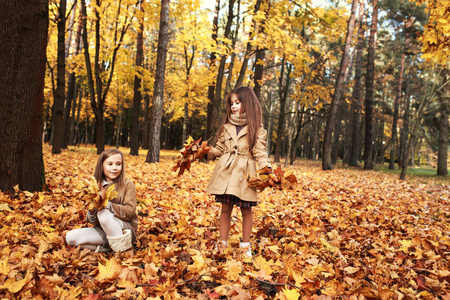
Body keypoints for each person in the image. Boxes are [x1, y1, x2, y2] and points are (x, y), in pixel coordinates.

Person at [206, 86, 273, 258]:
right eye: (231, 103)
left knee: (246, 210)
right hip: (227, 173)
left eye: (237, 102)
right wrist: (207, 152)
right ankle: (222, 244)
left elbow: (259, 151)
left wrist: (266, 167)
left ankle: (245, 247)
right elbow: (220, 148)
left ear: (248, 103)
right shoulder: (226, 127)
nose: (234, 106)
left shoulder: (257, 129)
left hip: (245, 175)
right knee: (225, 208)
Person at [66, 149, 138, 255]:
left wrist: (109, 206)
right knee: (70, 238)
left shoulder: (127, 185)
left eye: (118, 164)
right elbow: (94, 221)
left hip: (125, 230)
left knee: (103, 214)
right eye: (110, 164)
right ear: (102, 165)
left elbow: (131, 212)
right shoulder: (97, 186)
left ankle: (125, 250)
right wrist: (91, 211)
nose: (114, 167)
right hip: (104, 230)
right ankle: (110, 246)